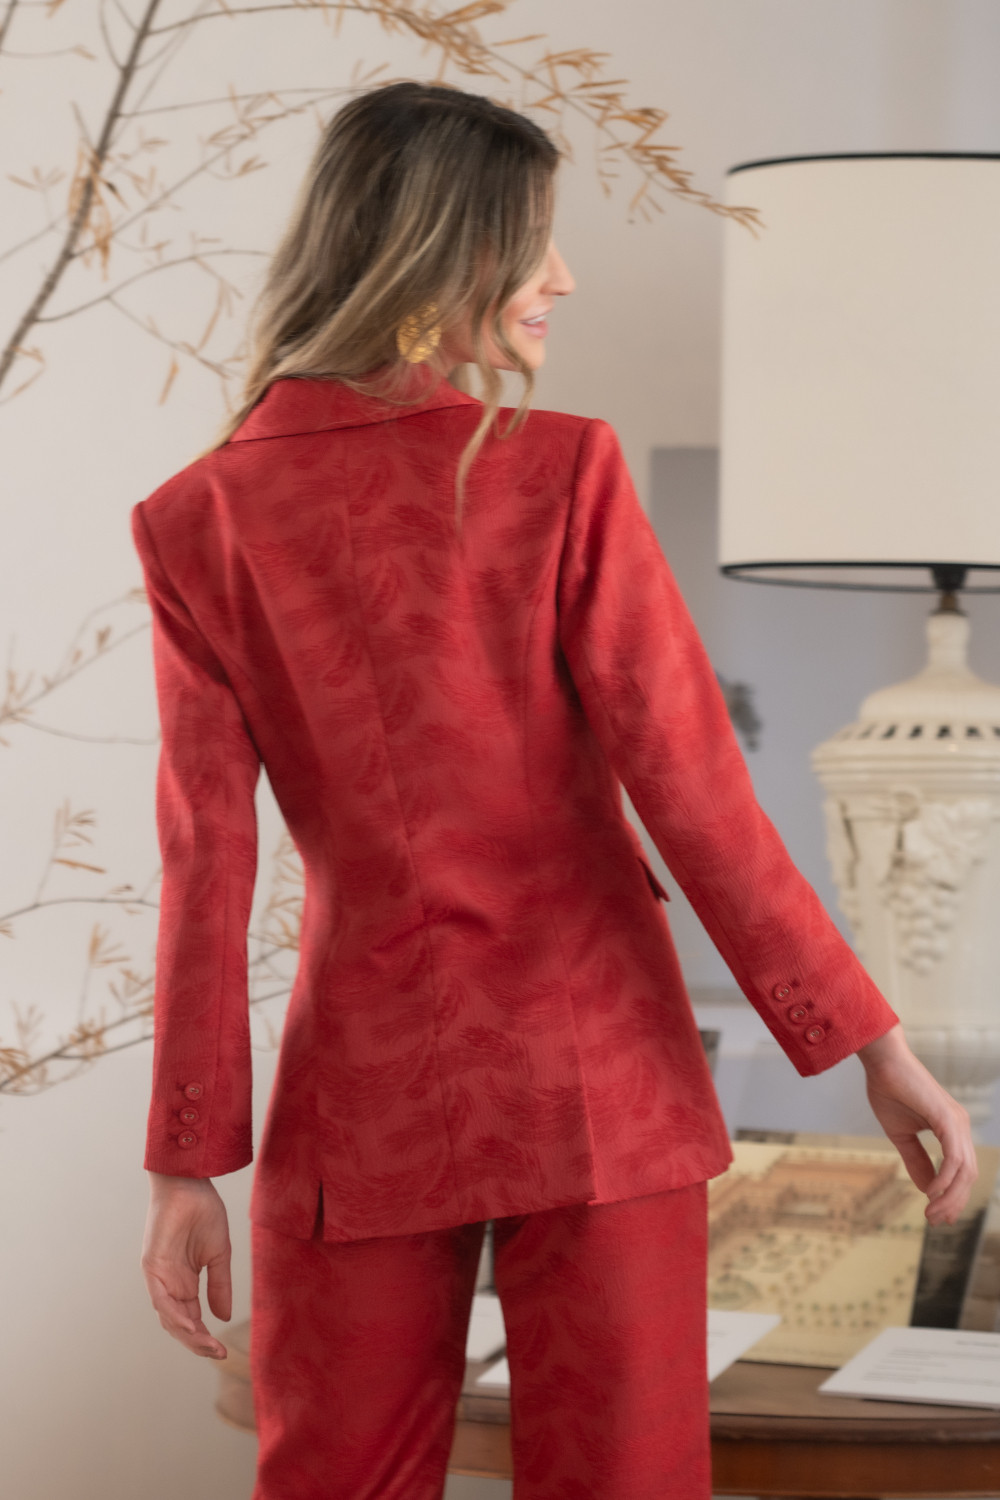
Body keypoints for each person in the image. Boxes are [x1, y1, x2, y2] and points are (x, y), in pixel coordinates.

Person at [135, 81, 977, 1500]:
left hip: (360, 1094)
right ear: (437, 246)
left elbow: (204, 868)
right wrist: (872, 1046)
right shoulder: (559, 470)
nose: (563, 277)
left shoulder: (196, 518)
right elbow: (698, 795)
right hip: (599, 1072)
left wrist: (184, 1166)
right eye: (533, 241)